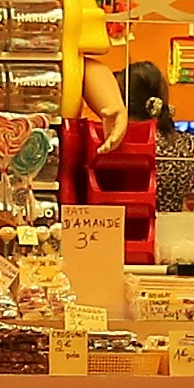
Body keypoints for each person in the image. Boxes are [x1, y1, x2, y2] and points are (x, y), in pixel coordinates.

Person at [63, 54, 166, 262]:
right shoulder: (185, 145)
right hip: (149, 252)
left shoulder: (97, 139)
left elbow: (82, 67)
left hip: (98, 251)